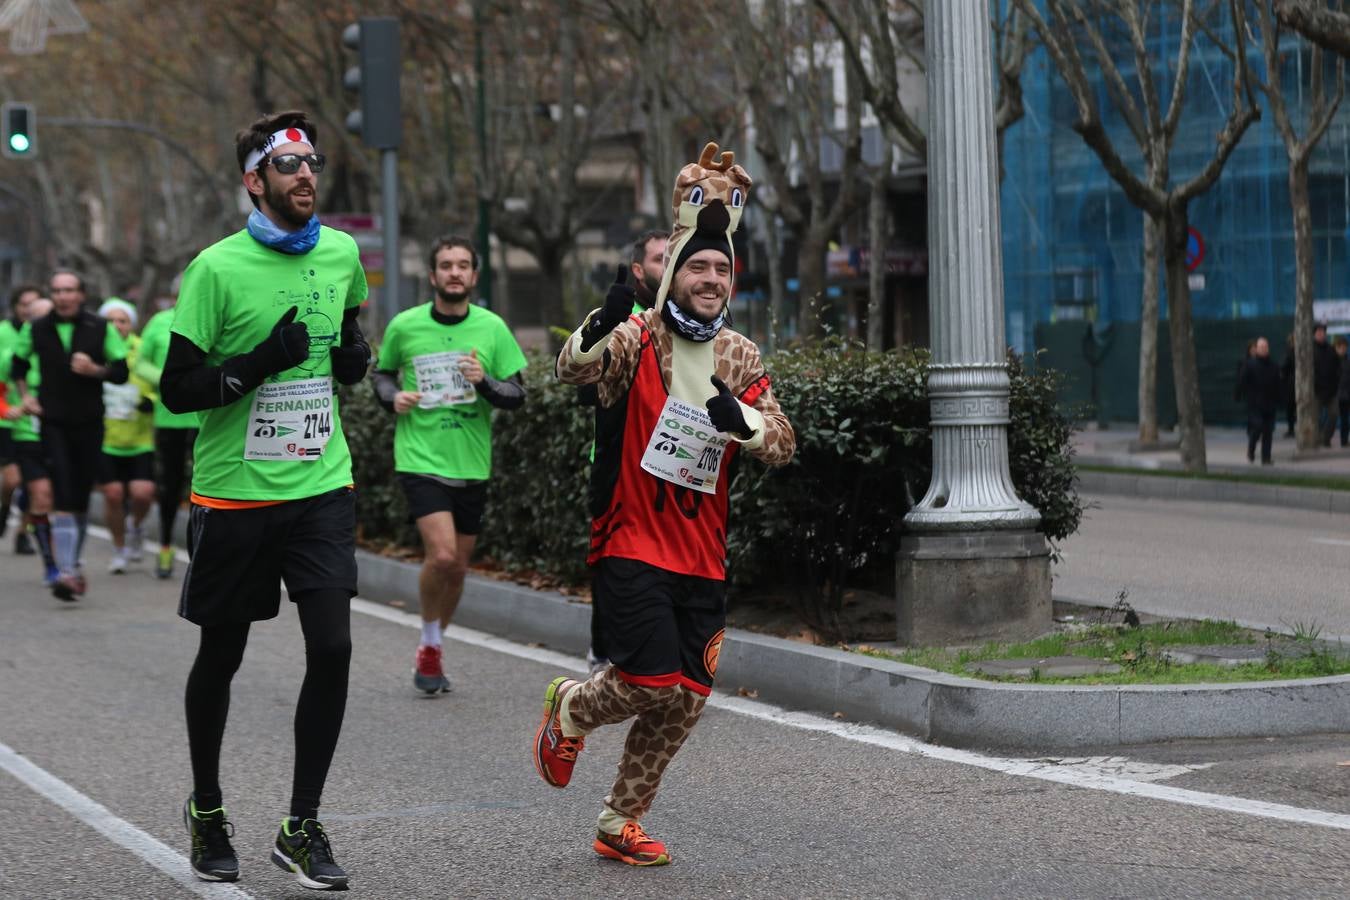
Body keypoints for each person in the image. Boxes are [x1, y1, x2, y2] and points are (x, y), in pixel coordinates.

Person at [536, 143, 795, 866]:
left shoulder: (739, 356)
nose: (711, 279)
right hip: (631, 540)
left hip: (701, 553)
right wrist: (598, 325)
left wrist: (743, 422)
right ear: (673, 271)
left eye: (722, 270)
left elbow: (782, 441)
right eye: (698, 267)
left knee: (687, 697)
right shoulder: (639, 336)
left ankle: (619, 820)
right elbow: (571, 370)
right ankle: (571, 708)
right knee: (650, 680)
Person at [159, 110, 370, 890]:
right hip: (235, 494)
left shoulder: (342, 252)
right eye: (288, 165)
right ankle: (207, 810)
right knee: (223, 655)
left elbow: (348, 337)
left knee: (334, 648)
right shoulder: (214, 269)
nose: (306, 174)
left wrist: (352, 357)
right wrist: (257, 362)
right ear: (255, 180)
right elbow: (178, 389)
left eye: (312, 162)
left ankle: (301, 826)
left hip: (321, 485)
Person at [372, 235, 527, 695]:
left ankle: (435, 643)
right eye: (446, 265)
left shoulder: (492, 328)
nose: (454, 272)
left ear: (474, 276)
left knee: (458, 568)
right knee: (440, 556)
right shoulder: (405, 325)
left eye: (462, 265)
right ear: (433, 275)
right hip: (420, 456)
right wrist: (393, 398)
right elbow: (382, 374)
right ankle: (428, 641)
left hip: (472, 462)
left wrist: (484, 382)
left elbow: (517, 393)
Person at [10, 271, 130, 601]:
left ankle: (72, 565)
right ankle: (65, 572)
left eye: (69, 290)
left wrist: (96, 370)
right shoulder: (36, 327)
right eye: (57, 291)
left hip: (89, 422)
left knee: (79, 495)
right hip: (52, 422)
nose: (63, 296)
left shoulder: (99, 327)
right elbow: (18, 364)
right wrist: (26, 397)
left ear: (81, 294)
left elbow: (121, 372)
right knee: (61, 491)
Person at [584, 229, 669, 676]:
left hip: (676, 468)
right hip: (619, 464)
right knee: (612, 560)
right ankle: (603, 652)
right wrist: (604, 326)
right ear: (638, 269)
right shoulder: (621, 317)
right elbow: (581, 385)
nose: (668, 266)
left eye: (675, 257)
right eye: (659, 259)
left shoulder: (698, 320)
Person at [136, 278, 200, 578]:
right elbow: (140, 363)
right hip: (170, 417)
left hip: (206, 418)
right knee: (170, 486)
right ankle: (164, 546)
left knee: (202, 486)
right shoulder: (160, 322)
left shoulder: (213, 317)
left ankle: (201, 552)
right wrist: (168, 378)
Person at [96, 298, 157, 573]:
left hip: (140, 437)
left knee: (143, 494)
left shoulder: (143, 349)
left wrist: (151, 401)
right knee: (113, 494)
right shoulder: (94, 350)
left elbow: (162, 379)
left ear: (131, 324)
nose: (116, 325)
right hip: (105, 439)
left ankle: (135, 527)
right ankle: (119, 549)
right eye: (110, 320)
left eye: (122, 320)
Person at [1, 284, 40, 552]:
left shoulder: (47, 333)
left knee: (34, 483)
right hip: (7, 419)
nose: (29, 309)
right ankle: (5, 508)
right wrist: (5, 409)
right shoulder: (3, 333)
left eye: (34, 304)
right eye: (24, 304)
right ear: (15, 306)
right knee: (13, 480)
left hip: (38, 419)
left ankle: (23, 532)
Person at [1239, 336, 1281, 465]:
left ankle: (1266, 458)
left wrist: (1279, 399)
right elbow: (1243, 382)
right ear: (1256, 349)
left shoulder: (1274, 365)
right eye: (1261, 347)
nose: (1263, 349)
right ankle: (1251, 449)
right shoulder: (1249, 365)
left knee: (1268, 431)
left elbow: (1278, 383)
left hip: (1270, 403)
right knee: (1257, 427)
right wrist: (1245, 396)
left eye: (1265, 347)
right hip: (1255, 403)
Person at [1314, 322, 1340, 447]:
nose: (1321, 334)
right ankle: (1317, 438)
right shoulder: (1310, 349)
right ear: (1314, 334)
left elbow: (1337, 366)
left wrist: (1336, 382)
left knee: (1334, 414)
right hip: (1316, 390)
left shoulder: (1331, 349)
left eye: (1323, 332)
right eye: (1318, 332)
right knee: (1316, 417)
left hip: (1331, 389)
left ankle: (1326, 437)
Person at [1281, 332, 1297, 438]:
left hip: (1291, 384)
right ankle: (1291, 429)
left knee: (1291, 408)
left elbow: (1284, 368)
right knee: (1291, 408)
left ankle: (1291, 429)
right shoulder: (1289, 353)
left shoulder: (1289, 353)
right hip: (1291, 385)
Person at [1337, 336, 1350, 447]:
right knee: (1331, 417)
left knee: (1345, 419)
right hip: (1335, 394)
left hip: (1346, 394)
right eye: (1341, 347)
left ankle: (1344, 440)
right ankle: (1324, 438)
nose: (1343, 349)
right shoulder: (1333, 361)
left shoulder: (1347, 362)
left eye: (1345, 347)